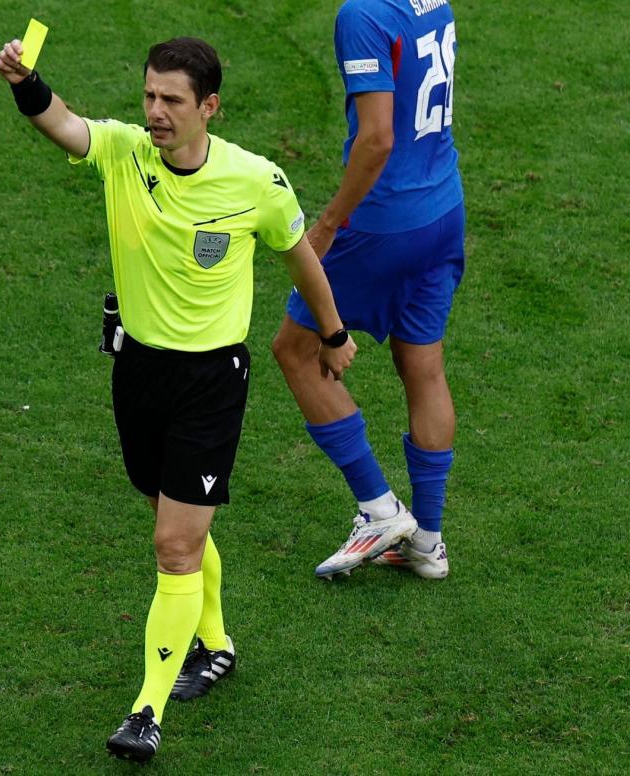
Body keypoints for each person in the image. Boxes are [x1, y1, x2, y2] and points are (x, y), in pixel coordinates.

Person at [0, 35, 354, 763]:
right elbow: (61, 123)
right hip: (138, 374)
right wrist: (24, 81)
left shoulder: (255, 181)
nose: (154, 113)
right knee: (171, 521)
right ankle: (216, 645)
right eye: (149, 96)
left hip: (210, 381)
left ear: (208, 108)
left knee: (174, 545)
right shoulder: (123, 152)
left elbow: (299, 257)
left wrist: (332, 331)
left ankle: (145, 711)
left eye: (171, 101)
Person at [271, 0, 465, 581]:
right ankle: (427, 542)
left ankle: (379, 508)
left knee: (295, 350)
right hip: (443, 208)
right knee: (423, 365)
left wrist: (328, 223)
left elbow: (377, 139)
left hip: (383, 221)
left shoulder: (362, 14)